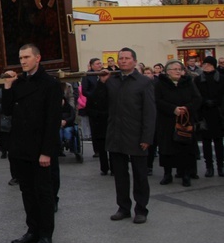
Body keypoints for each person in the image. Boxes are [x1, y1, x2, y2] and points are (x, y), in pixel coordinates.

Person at [1, 43, 61, 243]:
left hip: (40, 149)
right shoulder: (18, 83)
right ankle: (32, 230)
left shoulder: (50, 84)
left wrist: (47, 152)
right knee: (26, 191)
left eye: (27, 57)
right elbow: (7, 110)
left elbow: (53, 121)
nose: (23, 61)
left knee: (43, 193)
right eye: (21, 58)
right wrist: (8, 85)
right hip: (20, 148)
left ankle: (46, 234)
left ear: (38, 58)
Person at [95, 47, 155, 224]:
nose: (122, 61)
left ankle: (141, 209)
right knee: (120, 175)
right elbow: (97, 102)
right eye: (120, 58)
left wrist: (147, 138)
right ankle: (123, 207)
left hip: (136, 135)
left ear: (134, 61)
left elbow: (150, 113)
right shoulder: (112, 81)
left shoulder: (144, 82)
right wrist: (102, 82)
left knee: (140, 176)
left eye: (127, 58)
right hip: (116, 135)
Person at [155, 60, 202, 187]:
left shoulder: (188, 83)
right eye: (174, 69)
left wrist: (186, 108)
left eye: (179, 69)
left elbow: (197, 99)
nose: (177, 71)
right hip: (167, 121)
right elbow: (157, 100)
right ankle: (167, 174)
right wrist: (173, 109)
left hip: (185, 120)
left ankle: (186, 174)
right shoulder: (160, 84)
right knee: (167, 149)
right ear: (167, 71)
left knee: (185, 148)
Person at [194, 56, 224, 177]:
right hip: (204, 114)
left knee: (218, 142)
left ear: (213, 65)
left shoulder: (221, 78)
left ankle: (220, 166)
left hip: (218, 113)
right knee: (206, 142)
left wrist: (216, 103)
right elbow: (196, 95)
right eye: (204, 64)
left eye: (208, 64)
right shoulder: (198, 79)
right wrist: (203, 102)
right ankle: (209, 166)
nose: (205, 66)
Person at [82, 58, 110, 176]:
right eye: (97, 64)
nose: (100, 65)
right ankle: (102, 161)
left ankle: (113, 167)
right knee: (98, 136)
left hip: (107, 109)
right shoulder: (88, 76)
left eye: (100, 63)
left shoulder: (107, 75)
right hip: (94, 109)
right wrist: (95, 95)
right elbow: (85, 91)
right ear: (92, 65)